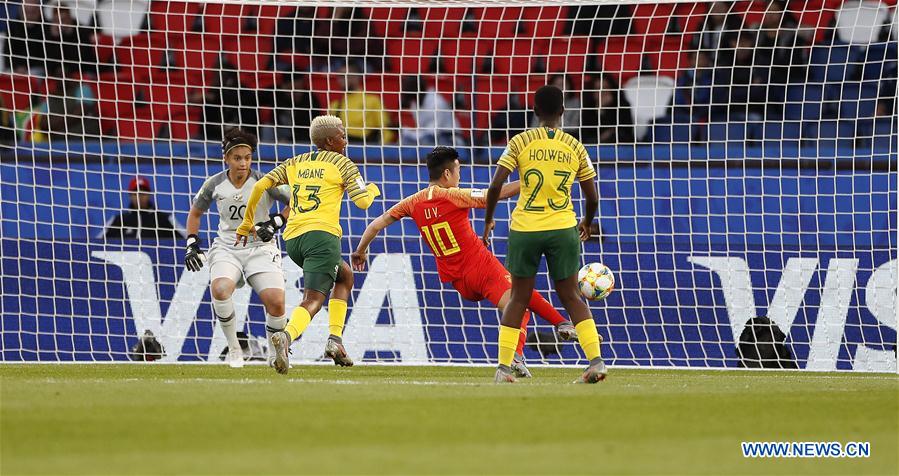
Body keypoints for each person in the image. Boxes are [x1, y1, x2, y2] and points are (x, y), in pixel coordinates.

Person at [351, 147, 578, 378]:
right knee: (520, 301)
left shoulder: (411, 202)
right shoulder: (453, 195)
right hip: (480, 267)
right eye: (458, 170)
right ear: (447, 174)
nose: (460, 175)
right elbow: (496, 193)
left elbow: (375, 225)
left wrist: (360, 251)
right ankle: (553, 329)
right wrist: (530, 180)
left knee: (520, 306)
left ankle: (539, 341)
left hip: (458, 281)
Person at [235, 115, 381, 374]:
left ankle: (335, 342)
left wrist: (247, 224)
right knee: (312, 300)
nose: (345, 140)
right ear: (329, 141)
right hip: (322, 237)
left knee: (345, 276)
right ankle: (286, 337)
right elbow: (363, 202)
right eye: (342, 136)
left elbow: (259, 186)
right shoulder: (342, 163)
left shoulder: (296, 162)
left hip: (293, 240)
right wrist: (372, 189)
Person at [481, 85, 604, 384]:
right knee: (572, 295)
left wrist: (488, 220)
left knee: (518, 298)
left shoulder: (520, 141)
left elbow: (496, 185)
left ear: (535, 111)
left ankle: (504, 368)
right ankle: (596, 362)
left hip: (526, 229)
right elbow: (593, 195)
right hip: (563, 228)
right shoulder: (575, 146)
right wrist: (587, 221)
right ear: (562, 111)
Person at [183, 128, 291, 368]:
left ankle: (277, 353)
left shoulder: (266, 182)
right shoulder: (215, 184)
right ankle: (234, 349)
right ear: (226, 158)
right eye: (237, 158)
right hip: (228, 245)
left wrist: (276, 221)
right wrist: (192, 243)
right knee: (220, 288)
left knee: (276, 302)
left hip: (260, 246)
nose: (243, 163)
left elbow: (295, 202)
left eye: (247, 157)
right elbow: (195, 213)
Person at [101, 176, 186, 240]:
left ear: (149, 194)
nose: (139, 197)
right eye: (135, 193)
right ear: (130, 195)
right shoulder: (118, 221)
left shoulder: (164, 219)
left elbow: (187, 240)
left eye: (143, 193)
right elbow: (97, 243)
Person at [328, 64, 395, 144]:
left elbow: (386, 130)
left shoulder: (372, 101)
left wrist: (378, 151)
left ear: (356, 77)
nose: (341, 80)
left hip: (366, 147)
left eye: (345, 76)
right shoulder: (335, 106)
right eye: (340, 76)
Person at [399, 76, 463, 147]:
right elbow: (422, 131)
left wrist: (407, 132)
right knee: (405, 141)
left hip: (449, 137)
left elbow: (433, 132)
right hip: (429, 137)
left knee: (425, 141)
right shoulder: (414, 104)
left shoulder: (437, 103)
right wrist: (405, 131)